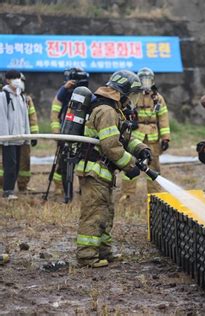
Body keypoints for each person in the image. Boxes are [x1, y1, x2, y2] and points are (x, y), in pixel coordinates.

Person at [74, 70, 151, 268]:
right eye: (132, 95)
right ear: (123, 92)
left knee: (106, 212)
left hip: (102, 172)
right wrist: (130, 166)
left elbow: (122, 138)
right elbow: (111, 146)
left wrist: (141, 149)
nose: (133, 100)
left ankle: (104, 251)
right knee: (94, 213)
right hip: (94, 171)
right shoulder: (107, 111)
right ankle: (87, 256)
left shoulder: (113, 109)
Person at [121, 68, 170, 200]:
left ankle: (155, 196)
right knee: (131, 165)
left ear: (152, 81)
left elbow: (163, 118)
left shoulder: (158, 98)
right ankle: (128, 194)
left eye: (148, 80)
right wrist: (130, 123)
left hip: (153, 138)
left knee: (154, 166)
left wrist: (165, 138)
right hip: (136, 137)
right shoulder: (134, 96)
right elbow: (125, 112)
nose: (146, 83)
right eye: (143, 80)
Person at [50, 67, 90, 195]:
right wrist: (57, 133)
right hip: (65, 133)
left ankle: (82, 190)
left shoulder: (86, 94)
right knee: (63, 164)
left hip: (81, 135)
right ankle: (61, 189)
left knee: (81, 162)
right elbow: (55, 113)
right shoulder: (64, 94)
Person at [0, 70, 31, 199]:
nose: (17, 80)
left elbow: (25, 118)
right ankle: (7, 191)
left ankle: (11, 190)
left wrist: (27, 137)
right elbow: (2, 118)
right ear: (7, 80)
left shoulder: (21, 96)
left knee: (17, 164)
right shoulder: (3, 96)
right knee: (10, 165)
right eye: (14, 78)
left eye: (18, 78)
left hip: (20, 138)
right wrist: (5, 138)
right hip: (9, 138)